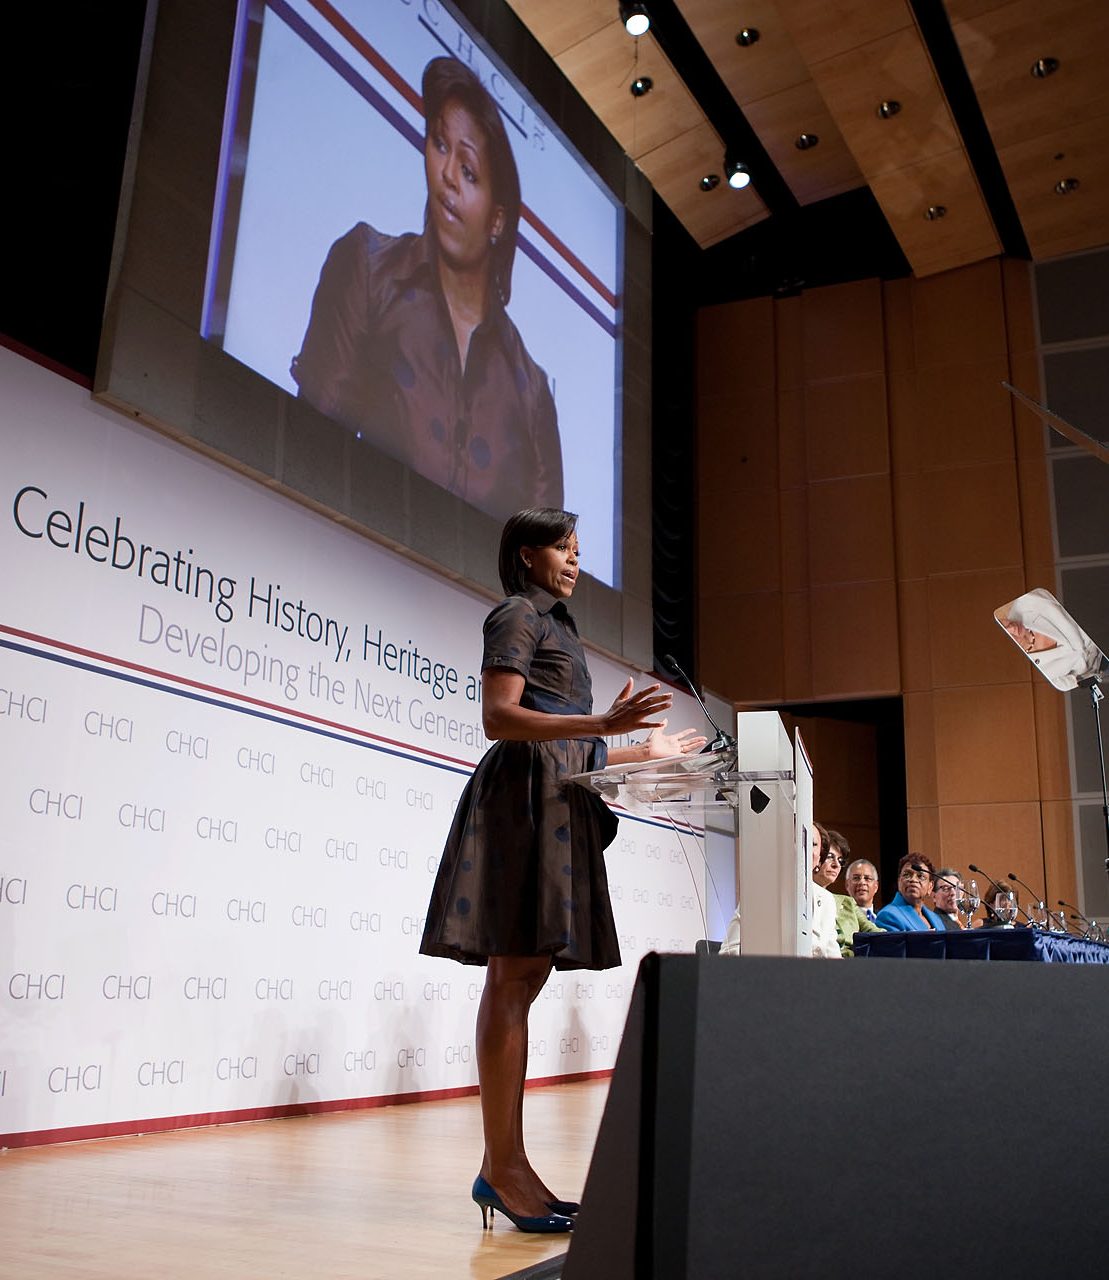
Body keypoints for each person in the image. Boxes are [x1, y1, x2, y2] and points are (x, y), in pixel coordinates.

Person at [420, 508, 703, 1232]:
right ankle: (501, 1169)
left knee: (526, 976)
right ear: (526, 554)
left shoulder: (559, 627)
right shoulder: (517, 613)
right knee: (512, 977)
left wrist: (642, 752)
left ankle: (508, 1166)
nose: (574, 560)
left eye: (578, 549)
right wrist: (603, 727)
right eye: (561, 548)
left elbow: (573, 742)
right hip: (522, 800)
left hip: (553, 799)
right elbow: (500, 717)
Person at [291, 57, 561, 525]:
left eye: (469, 171)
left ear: (498, 220)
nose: (447, 174)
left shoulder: (533, 393)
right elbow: (305, 452)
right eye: (439, 145)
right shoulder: (368, 270)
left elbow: (541, 561)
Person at [719, 822, 841, 959]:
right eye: (796, 840)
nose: (803, 848)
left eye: (812, 844)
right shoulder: (760, 892)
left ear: (819, 858)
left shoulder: (827, 899)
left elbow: (833, 954)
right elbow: (728, 953)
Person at [874, 854, 944, 930]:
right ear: (899, 881)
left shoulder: (936, 918)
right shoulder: (887, 916)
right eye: (907, 874)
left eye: (920, 876)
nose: (913, 879)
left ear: (930, 886)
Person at [842, 858, 886, 934]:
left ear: (876, 886)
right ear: (847, 885)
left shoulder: (885, 918)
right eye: (856, 878)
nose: (862, 882)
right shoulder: (841, 918)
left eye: (867, 878)